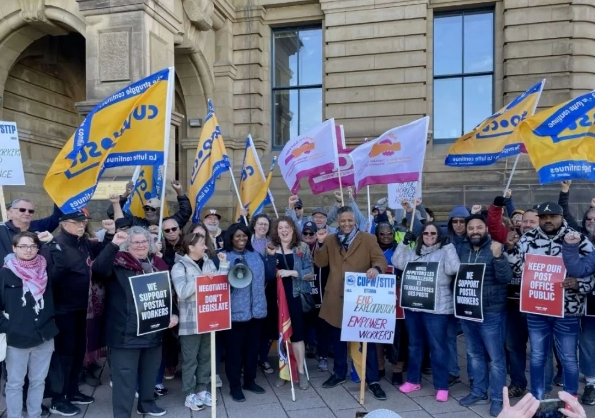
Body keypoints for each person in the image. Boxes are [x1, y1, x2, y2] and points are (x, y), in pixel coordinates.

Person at [507, 202, 593, 402]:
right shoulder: (528, 238)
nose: (548, 220)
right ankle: (537, 398)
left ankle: (570, 400)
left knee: (569, 358)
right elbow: (517, 269)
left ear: (561, 217)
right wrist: (510, 248)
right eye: (544, 217)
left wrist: (579, 283)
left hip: (567, 311)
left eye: (552, 216)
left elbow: (592, 270)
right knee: (537, 356)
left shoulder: (576, 239)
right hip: (536, 309)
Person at [91, 227, 178, 417]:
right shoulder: (117, 263)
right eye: (135, 242)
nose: (140, 245)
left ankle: (146, 404)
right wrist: (113, 244)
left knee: (149, 373)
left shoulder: (157, 263)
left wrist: (173, 314)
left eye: (144, 241)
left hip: (153, 330)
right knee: (125, 377)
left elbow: (166, 294)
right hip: (125, 333)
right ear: (127, 245)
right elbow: (98, 270)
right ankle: (122, 413)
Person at [314, 206, 388, 400]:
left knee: (366, 342)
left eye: (349, 220)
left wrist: (376, 269)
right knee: (338, 341)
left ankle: (372, 380)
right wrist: (320, 244)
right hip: (336, 298)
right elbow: (321, 263)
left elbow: (381, 260)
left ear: (355, 221)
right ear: (337, 222)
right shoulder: (330, 239)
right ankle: (339, 373)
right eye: (342, 221)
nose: (346, 224)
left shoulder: (368, 239)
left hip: (360, 299)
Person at [45, 211, 115, 416]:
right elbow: (52, 277)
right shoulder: (55, 245)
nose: (82, 225)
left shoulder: (81, 242)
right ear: (64, 224)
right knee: (63, 356)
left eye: (83, 222)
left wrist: (110, 236)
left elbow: (101, 256)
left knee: (78, 354)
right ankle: (58, 399)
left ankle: (72, 391)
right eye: (77, 222)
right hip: (63, 310)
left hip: (83, 308)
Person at [392, 223, 460, 402]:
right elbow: (397, 262)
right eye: (426, 233)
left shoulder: (445, 250)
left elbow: (454, 269)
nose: (429, 235)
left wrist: (449, 246)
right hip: (414, 306)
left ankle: (442, 385)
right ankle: (413, 380)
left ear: (439, 235)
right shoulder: (414, 251)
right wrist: (403, 244)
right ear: (421, 235)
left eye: (433, 233)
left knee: (438, 347)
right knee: (414, 345)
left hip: (437, 309)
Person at [457, 214, 512, 417]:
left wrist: (498, 257)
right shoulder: (462, 249)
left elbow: (506, 277)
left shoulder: (495, 248)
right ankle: (479, 391)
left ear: (486, 229)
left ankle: (497, 398)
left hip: (491, 313)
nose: (474, 231)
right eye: (471, 228)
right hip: (468, 310)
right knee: (474, 354)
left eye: (479, 227)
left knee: (496, 359)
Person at [0, 231, 57, 419]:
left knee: (38, 381)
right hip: (17, 337)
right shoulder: (5, 273)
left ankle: (35, 415)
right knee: (15, 383)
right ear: (14, 248)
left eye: (33, 246)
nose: (28, 250)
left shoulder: (46, 268)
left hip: (44, 335)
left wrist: (53, 243)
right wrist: (8, 326)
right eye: (23, 246)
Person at [171, 233, 229, 411]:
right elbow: (181, 291)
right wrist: (201, 280)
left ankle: (202, 389)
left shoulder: (208, 261)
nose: (205, 247)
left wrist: (224, 265)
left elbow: (220, 283)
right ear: (191, 247)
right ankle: (189, 394)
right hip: (190, 321)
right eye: (202, 244)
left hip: (209, 316)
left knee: (206, 356)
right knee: (190, 360)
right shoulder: (179, 266)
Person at [220, 223, 276, 402]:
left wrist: (271, 258)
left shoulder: (255, 255)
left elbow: (268, 276)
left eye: (244, 236)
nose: (241, 239)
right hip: (235, 315)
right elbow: (220, 287)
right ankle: (235, 386)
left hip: (257, 312)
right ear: (231, 238)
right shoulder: (224, 257)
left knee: (253, 351)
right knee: (234, 353)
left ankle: (250, 381)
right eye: (237, 236)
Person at [268, 216, 314, 390]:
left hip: (296, 296)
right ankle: (284, 372)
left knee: (297, 335)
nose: (283, 230)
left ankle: (301, 372)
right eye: (280, 228)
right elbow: (267, 271)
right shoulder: (271, 247)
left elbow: (310, 272)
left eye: (287, 227)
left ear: (293, 229)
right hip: (277, 297)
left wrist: (293, 273)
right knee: (281, 334)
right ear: (276, 230)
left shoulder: (301, 247)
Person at [107, 180, 192, 230]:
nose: (149, 211)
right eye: (146, 209)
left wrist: (179, 191)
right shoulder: (136, 222)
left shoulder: (168, 224)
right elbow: (113, 213)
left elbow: (185, 212)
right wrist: (126, 194)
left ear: (159, 210)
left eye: (153, 209)